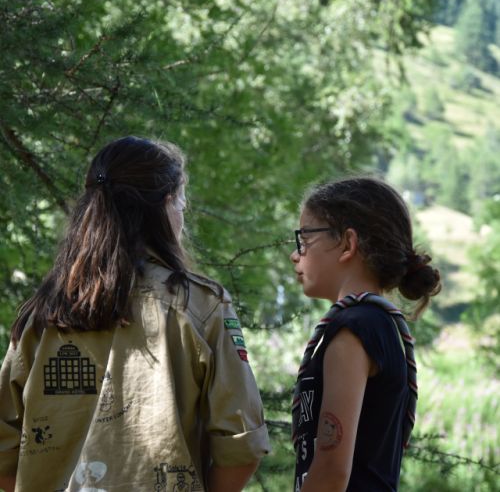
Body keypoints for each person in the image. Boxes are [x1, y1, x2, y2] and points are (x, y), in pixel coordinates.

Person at [0, 136, 270, 492]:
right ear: (165, 204)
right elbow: (241, 446)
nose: (182, 217)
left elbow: (4, 451)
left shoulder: (42, 314)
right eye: (182, 202)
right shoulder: (200, 305)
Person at [290, 177, 441, 492]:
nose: (295, 254)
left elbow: (332, 474)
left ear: (347, 244)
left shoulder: (354, 330)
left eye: (305, 239)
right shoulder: (373, 324)